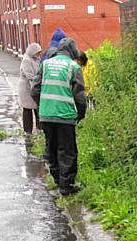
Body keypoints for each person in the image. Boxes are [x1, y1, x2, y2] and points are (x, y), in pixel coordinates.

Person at [31, 38, 86, 196]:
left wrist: (44, 105)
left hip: (46, 115)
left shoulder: (45, 64)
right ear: (72, 51)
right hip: (65, 116)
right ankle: (66, 185)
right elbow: (80, 96)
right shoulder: (73, 66)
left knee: (52, 147)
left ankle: (56, 178)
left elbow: (35, 90)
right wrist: (80, 114)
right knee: (67, 150)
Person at [18, 42, 42, 135]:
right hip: (26, 89)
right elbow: (30, 76)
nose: (40, 54)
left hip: (34, 86)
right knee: (28, 110)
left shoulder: (37, 59)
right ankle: (28, 131)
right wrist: (36, 89)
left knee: (37, 108)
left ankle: (40, 128)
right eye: (38, 52)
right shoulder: (26, 60)